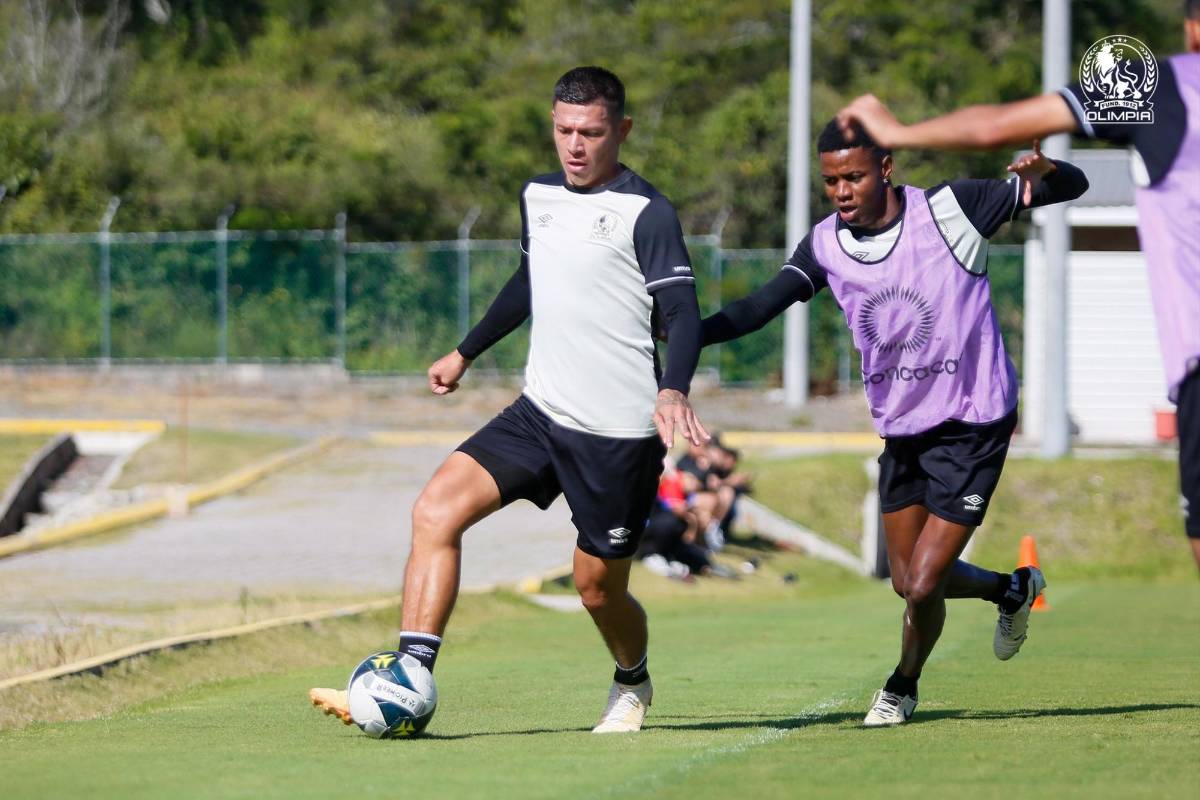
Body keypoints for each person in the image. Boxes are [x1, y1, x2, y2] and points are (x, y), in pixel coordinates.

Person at [310, 66, 709, 734]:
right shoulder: (539, 195)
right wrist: (465, 351)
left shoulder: (649, 213)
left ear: (623, 131)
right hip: (537, 413)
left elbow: (684, 311)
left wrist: (672, 388)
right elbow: (530, 279)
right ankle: (410, 676)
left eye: (591, 132)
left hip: (614, 434)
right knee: (435, 509)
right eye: (564, 131)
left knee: (597, 589)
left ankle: (632, 681)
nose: (575, 145)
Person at [701, 118, 1088, 726]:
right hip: (904, 428)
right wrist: (689, 335)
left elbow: (1074, 186)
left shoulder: (952, 209)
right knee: (905, 581)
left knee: (925, 581)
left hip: (973, 420)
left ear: (885, 169)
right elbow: (760, 307)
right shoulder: (826, 245)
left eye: (853, 176)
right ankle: (1010, 589)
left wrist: (1051, 174)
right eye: (830, 181)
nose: (842, 191)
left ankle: (900, 687)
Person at [838, 5, 1200, 568]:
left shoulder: (1165, 87)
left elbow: (991, 127)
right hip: (911, 427)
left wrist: (898, 131)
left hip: (1185, 365)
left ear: (1192, 29)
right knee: (912, 580)